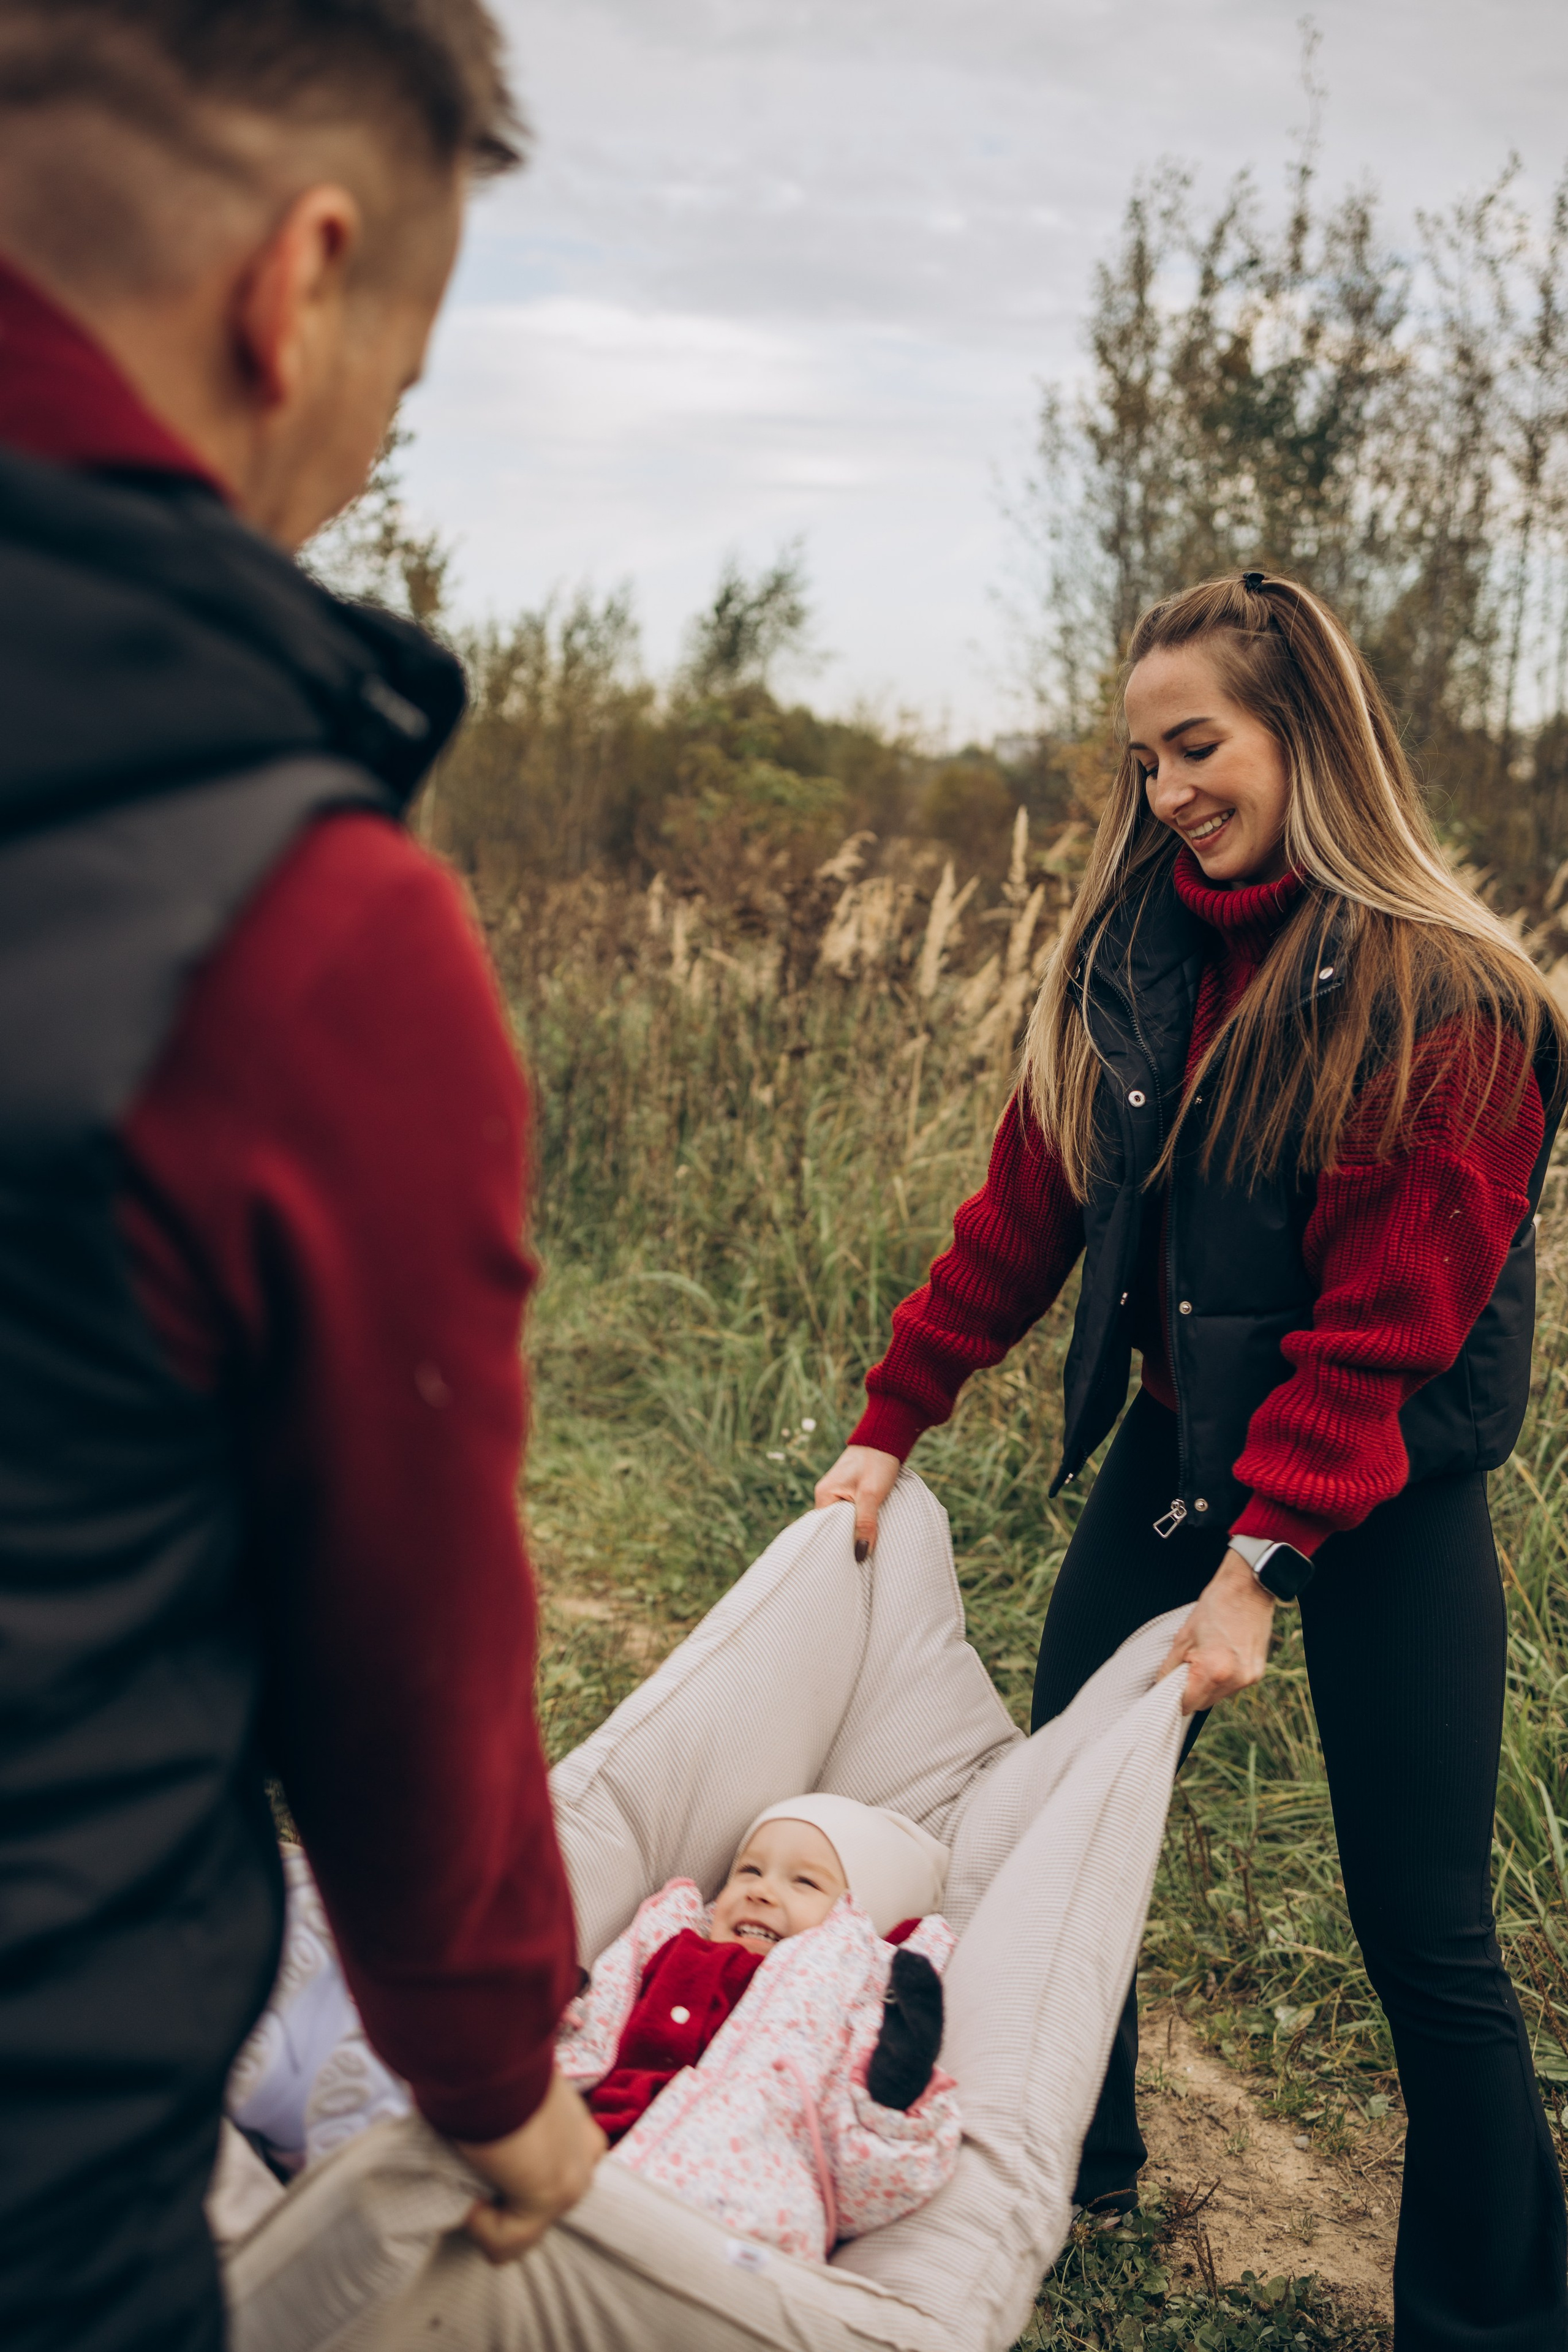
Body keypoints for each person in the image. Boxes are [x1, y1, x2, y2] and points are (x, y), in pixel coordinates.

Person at [0, 7, 601, 2348]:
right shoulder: (297, 928)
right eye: (399, 382)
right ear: (299, 282)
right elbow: (406, 1631)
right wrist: (491, 2066)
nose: (355, 467)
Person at [815, 571, 1568, 2352]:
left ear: (1304, 736)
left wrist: (1258, 1568)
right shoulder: (1133, 955)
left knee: (1424, 1924)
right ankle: (1064, 2165)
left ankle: (1500, 2312)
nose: (1165, 790)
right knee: (1047, 1828)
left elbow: (1385, 1329)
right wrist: (885, 1418)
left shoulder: (1447, 997)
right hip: (1175, 1449)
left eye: (1199, 745)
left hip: (1379, 1489)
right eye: (1143, 755)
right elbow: (1028, 1207)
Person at [227, 1798, 959, 2264]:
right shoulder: (674, 1941)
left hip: (733, 2214)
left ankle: (313, 2092)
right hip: (589, 2149)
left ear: (856, 1924)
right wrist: (550, 2016)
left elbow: (865, 2175)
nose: (762, 1888)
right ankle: (327, 2114)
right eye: (748, 1869)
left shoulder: (848, 1994)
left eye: (804, 1883)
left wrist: (888, 2097)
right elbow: (602, 2019)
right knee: (459, 2163)